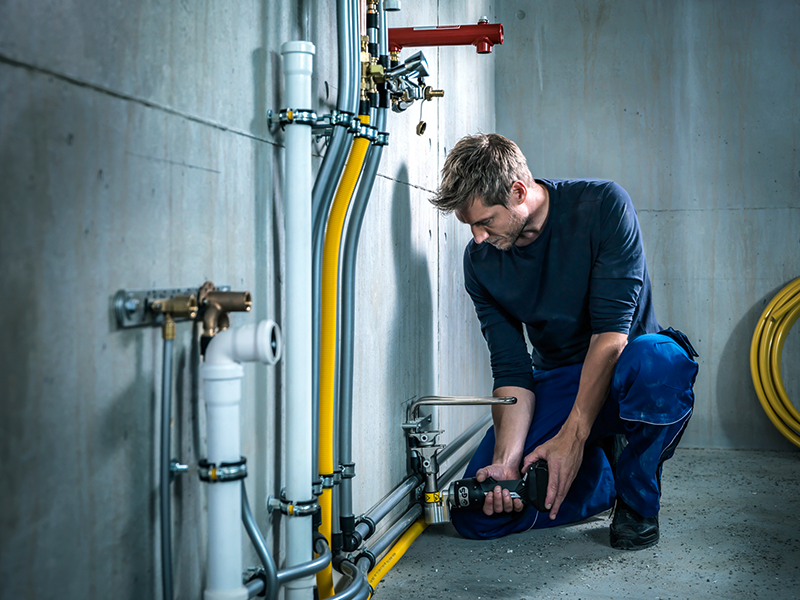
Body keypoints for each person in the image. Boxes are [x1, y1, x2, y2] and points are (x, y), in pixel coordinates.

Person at [430, 133, 698, 549]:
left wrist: (572, 438)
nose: (478, 237)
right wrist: (507, 463)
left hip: (627, 370)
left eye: (485, 222)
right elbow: (512, 369)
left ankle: (636, 496)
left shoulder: (604, 207)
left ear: (518, 192)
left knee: (660, 364)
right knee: (476, 516)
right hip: (559, 378)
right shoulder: (480, 262)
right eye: (470, 227)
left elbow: (611, 338)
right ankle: (602, 475)